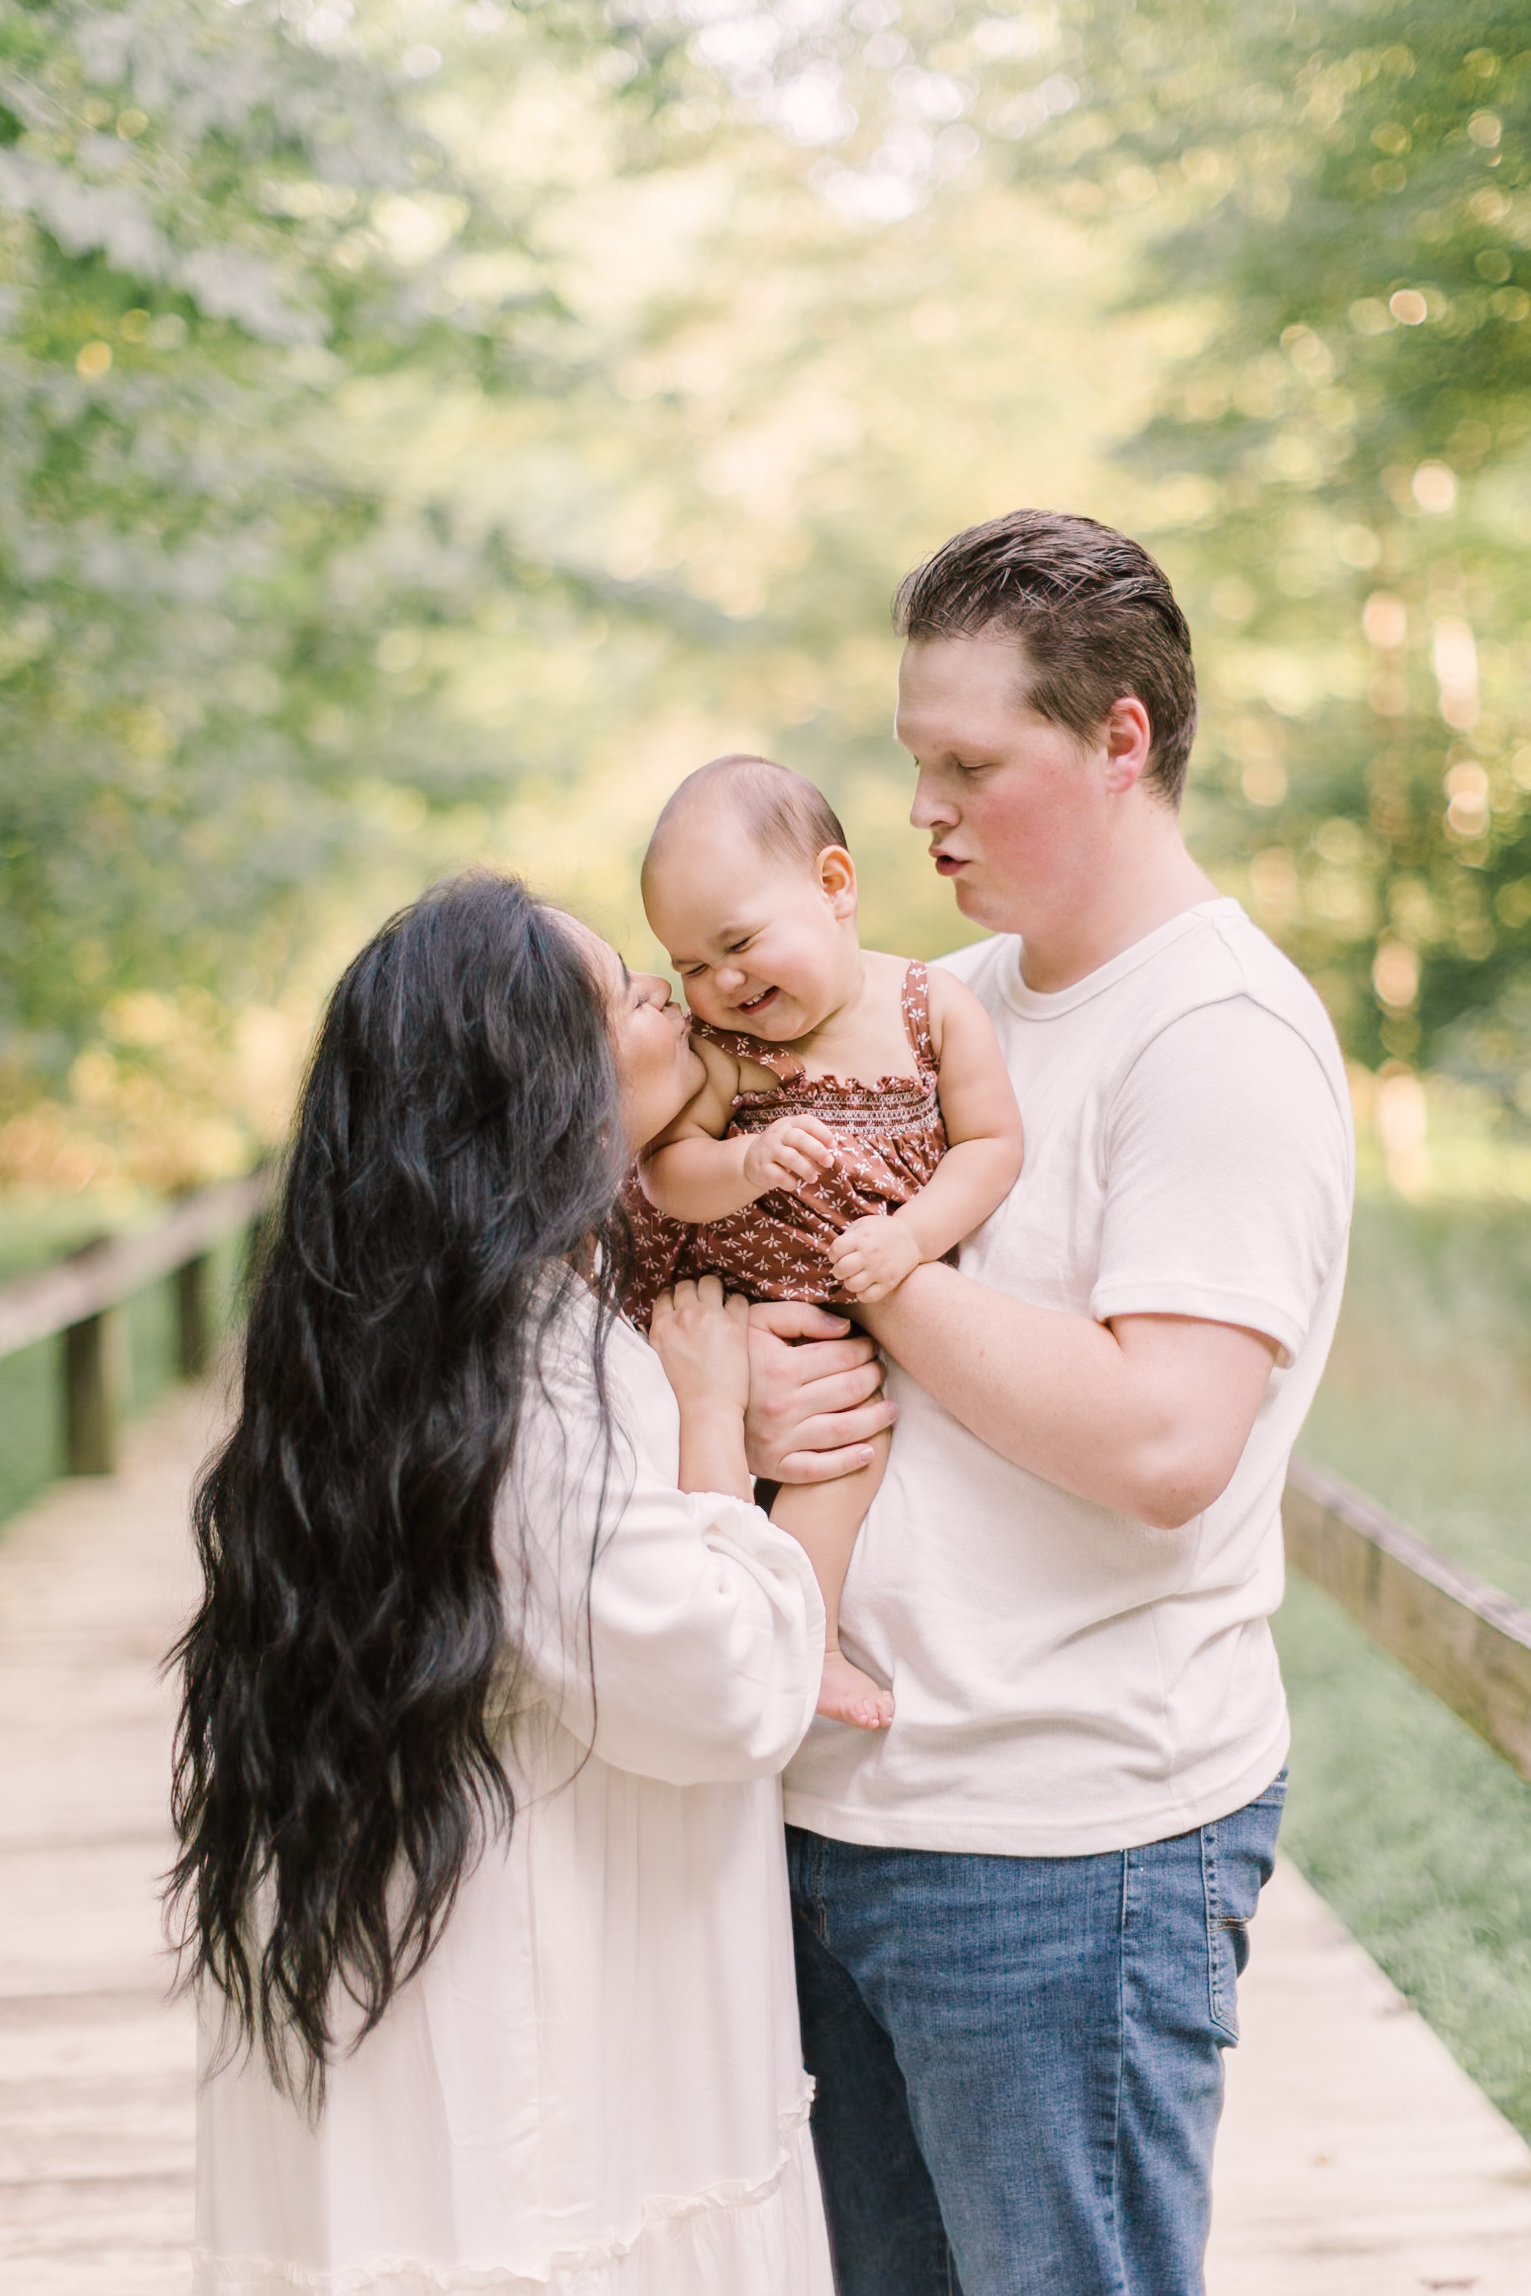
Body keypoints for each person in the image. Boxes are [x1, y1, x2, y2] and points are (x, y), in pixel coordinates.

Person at [749, 511, 1355, 2296]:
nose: (918, 813)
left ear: (1118, 741)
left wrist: (882, 1270)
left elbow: (1165, 1443)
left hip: (1060, 1856)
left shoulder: (1214, 1040)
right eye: (910, 760)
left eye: (968, 765)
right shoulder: (950, 1005)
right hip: (850, 1803)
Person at [168, 872, 835, 2296]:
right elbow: (710, 1684)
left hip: (418, 1995)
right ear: (536, 1085)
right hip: (542, 2048)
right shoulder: (539, 1361)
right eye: (622, 991)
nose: (665, 997)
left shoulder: (368, 1344)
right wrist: (711, 1424)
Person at [634, 754, 1023, 1732]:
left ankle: (793, 1640)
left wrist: (912, 1234)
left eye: (738, 941)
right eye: (687, 964)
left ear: (834, 886)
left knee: (849, 1450)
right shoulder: (726, 1054)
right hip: (765, 1307)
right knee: (782, 1470)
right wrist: (748, 1161)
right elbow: (667, 1170)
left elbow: (989, 1144)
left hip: (869, 1294)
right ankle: (763, 1647)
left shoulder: (930, 1009)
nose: (718, 981)